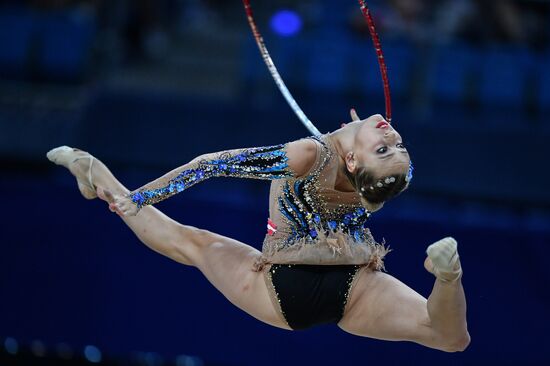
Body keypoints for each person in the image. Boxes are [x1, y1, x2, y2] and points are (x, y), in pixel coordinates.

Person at [47, 110, 470, 352]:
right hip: (353, 287)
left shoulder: (307, 156)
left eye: (388, 148)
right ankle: (447, 276)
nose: (394, 137)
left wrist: (141, 198)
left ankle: (97, 176)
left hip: (289, 291)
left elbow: (211, 163)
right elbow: (383, 175)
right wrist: (363, 139)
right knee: (448, 337)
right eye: (396, 145)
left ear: (358, 165)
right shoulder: (387, 176)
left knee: (190, 242)